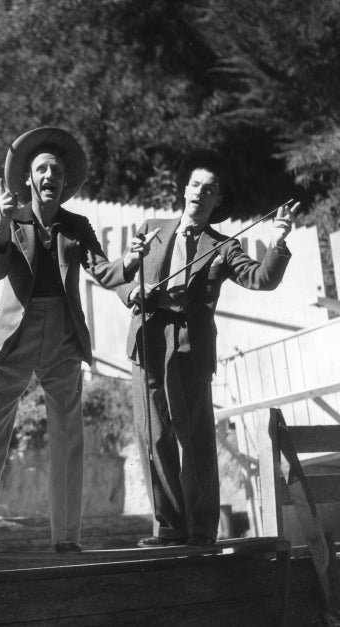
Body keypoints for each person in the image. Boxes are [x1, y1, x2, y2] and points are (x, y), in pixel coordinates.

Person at [0, 127, 152, 552]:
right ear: (28, 178)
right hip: (14, 335)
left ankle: (66, 538)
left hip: (62, 333)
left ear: (63, 182)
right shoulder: (12, 218)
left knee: (68, 433)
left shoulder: (77, 225)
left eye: (56, 171)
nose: (49, 177)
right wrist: (3, 224)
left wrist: (130, 263)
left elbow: (105, 272)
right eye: (41, 169)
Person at [116, 149, 297, 548]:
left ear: (218, 200)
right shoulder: (150, 227)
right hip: (146, 343)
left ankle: (200, 531)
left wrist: (278, 241)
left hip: (190, 349)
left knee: (195, 440)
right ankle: (169, 528)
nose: (200, 193)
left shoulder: (223, 246)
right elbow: (119, 275)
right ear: (184, 189)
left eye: (210, 189)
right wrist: (132, 292)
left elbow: (261, 279)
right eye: (195, 185)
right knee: (153, 438)